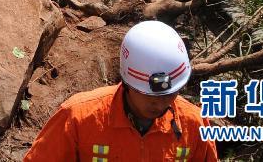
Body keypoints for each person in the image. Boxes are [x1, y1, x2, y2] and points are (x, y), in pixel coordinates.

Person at [25, 21, 218, 161]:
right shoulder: (79, 118)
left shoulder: (194, 124)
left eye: (169, 94)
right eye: (149, 95)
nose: (159, 103)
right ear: (127, 83)